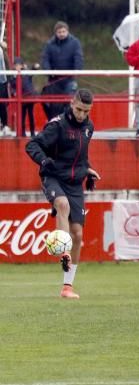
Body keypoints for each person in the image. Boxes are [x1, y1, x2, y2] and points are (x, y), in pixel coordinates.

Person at [24, 89, 100, 299]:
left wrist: (88, 171)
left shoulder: (88, 127)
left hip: (75, 183)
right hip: (53, 176)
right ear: (71, 103)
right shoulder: (57, 125)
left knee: (78, 234)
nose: (81, 115)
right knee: (62, 205)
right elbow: (32, 145)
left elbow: (81, 157)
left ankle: (67, 287)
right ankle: (62, 251)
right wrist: (44, 161)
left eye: (86, 111)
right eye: (78, 109)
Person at [40, 21, 84, 118]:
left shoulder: (75, 43)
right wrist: (48, 71)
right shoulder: (49, 44)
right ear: (55, 33)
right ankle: (53, 122)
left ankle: (68, 122)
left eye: (63, 31)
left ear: (67, 31)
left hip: (69, 79)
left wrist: (77, 70)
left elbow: (78, 57)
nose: (61, 34)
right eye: (59, 32)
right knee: (49, 102)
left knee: (69, 101)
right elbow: (45, 59)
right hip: (54, 79)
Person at [8, 57, 38, 137]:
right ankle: (22, 132)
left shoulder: (26, 73)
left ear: (22, 66)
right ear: (14, 66)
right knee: (22, 116)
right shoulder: (12, 76)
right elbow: (12, 87)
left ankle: (32, 132)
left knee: (31, 115)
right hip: (21, 99)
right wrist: (14, 93)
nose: (18, 67)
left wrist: (35, 67)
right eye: (16, 65)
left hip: (30, 97)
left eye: (19, 65)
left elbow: (33, 71)